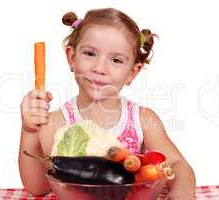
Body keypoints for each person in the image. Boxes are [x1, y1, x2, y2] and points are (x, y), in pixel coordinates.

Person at [18, 8, 196, 199]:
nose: (100, 68)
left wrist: (181, 192)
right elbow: (38, 188)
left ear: (132, 73)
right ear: (71, 57)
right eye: (90, 53)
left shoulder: (143, 120)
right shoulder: (55, 123)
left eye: (116, 60)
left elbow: (177, 165)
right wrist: (29, 131)